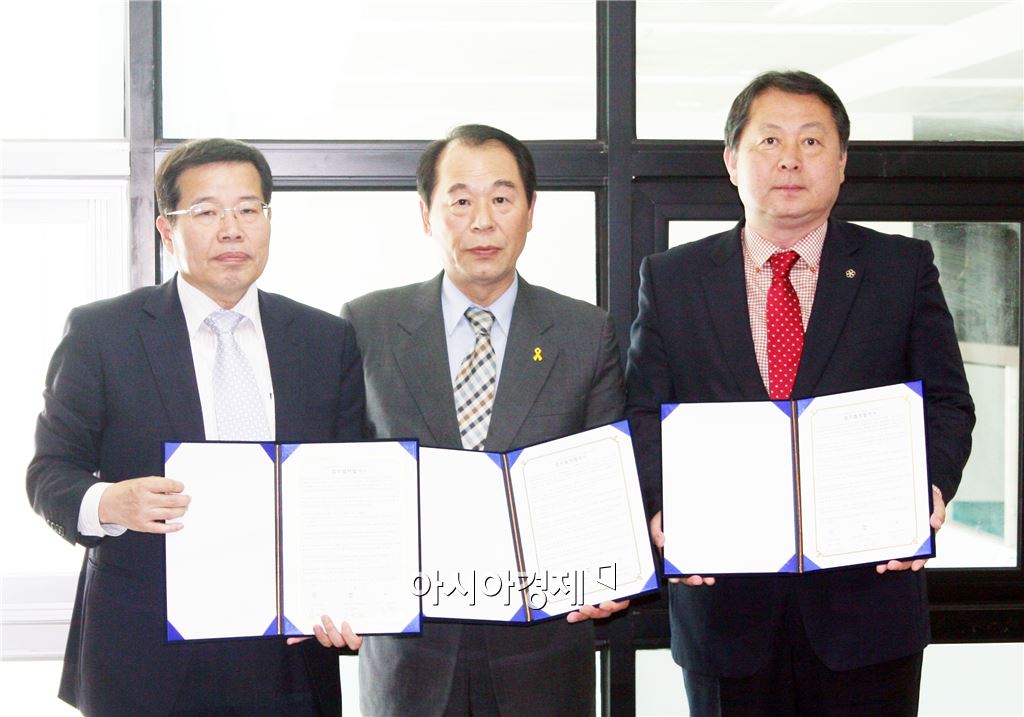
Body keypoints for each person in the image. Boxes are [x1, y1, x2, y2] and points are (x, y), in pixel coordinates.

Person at [625, 71, 975, 716]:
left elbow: (947, 403)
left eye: (812, 141)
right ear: (732, 161)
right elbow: (644, 412)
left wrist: (928, 486)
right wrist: (659, 507)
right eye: (770, 140)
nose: (790, 159)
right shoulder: (672, 279)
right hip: (724, 609)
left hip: (869, 606)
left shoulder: (900, 269)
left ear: (841, 164)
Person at [26, 138, 365, 717]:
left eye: (248, 209)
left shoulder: (323, 339)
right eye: (206, 212)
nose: (232, 230)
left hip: (287, 656)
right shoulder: (103, 334)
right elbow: (49, 472)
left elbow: (350, 483)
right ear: (167, 229)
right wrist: (109, 502)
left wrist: (354, 595)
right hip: (143, 653)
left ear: (267, 220)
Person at [327, 124, 627, 716]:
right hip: (408, 659)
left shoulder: (585, 332)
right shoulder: (367, 325)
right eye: (460, 201)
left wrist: (610, 574)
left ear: (531, 211)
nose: (482, 222)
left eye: (502, 198)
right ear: (426, 215)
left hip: (543, 656)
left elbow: (608, 484)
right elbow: (342, 477)